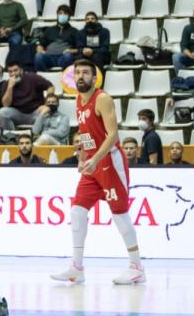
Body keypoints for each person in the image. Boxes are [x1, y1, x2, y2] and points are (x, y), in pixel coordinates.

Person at [51, 58, 144, 285]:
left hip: (110, 162)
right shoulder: (78, 100)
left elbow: (113, 135)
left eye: (85, 73)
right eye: (77, 73)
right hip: (92, 164)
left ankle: (137, 267)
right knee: (77, 212)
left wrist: (95, 158)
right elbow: (86, 133)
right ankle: (77, 267)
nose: (81, 76)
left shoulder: (102, 99)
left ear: (94, 78)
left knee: (120, 215)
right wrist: (83, 157)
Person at [0, 63, 55, 132]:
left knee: (46, 110)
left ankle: (36, 136)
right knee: (2, 112)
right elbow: (6, 105)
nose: (13, 74)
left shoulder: (32, 77)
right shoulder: (6, 83)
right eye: (10, 72)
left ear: (21, 70)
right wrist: (10, 87)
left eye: (16, 70)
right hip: (18, 113)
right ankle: (11, 138)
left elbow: (50, 86)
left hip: (35, 112)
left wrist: (47, 101)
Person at [35, 4, 79, 71]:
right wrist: (40, 50)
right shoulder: (49, 30)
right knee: (38, 56)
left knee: (68, 56)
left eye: (65, 14)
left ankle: (65, 78)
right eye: (60, 13)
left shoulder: (74, 31)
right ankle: (44, 78)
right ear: (57, 15)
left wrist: (71, 51)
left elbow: (79, 48)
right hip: (49, 57)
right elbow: (41, 44)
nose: (62, 15)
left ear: (69, 16)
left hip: (63, 57)